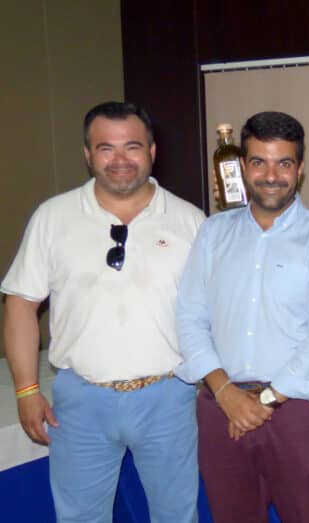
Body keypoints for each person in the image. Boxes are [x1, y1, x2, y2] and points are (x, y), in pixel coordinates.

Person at [1, 101, 204, 523]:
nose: (120, 160)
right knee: (79, 517)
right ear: (87, 155)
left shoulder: (190, 222)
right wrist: (25, 389)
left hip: (170, 398)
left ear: (152, 151)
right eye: (106, 148)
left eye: (132, 146)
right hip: (81, 400)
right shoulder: (52, 218)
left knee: (176, 515)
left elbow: (214, 313)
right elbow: (21, 302)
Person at [176, 111, 309, 523]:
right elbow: (190, 316)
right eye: (259, 162)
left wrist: (262, 402)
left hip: (301, 413)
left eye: (284, 163)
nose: (271, 175)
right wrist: (226, 394)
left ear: (300, 169)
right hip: (221, 407)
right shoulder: (213, 234)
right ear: (242, 166)